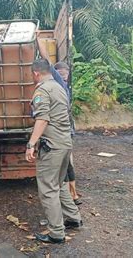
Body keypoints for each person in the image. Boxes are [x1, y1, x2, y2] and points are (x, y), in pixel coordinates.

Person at [25, 59, 82, 244]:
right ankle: (73, 217)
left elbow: (42, 119)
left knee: (48, 189)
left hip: (52, 146)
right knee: (59, 183)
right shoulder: (59, 87)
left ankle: (56, 233)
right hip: (65, 143)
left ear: (35, 74)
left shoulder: (42, 90)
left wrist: (31, 144)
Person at [54, 61, 81, 205]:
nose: (65, 76)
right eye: (62, 73)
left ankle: (70, 195)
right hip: (67, 130)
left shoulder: (61, 86)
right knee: (68, 162)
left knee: (65, 164)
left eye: (66, 73)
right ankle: (73, 194)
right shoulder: (64, 86)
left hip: (63, 131)